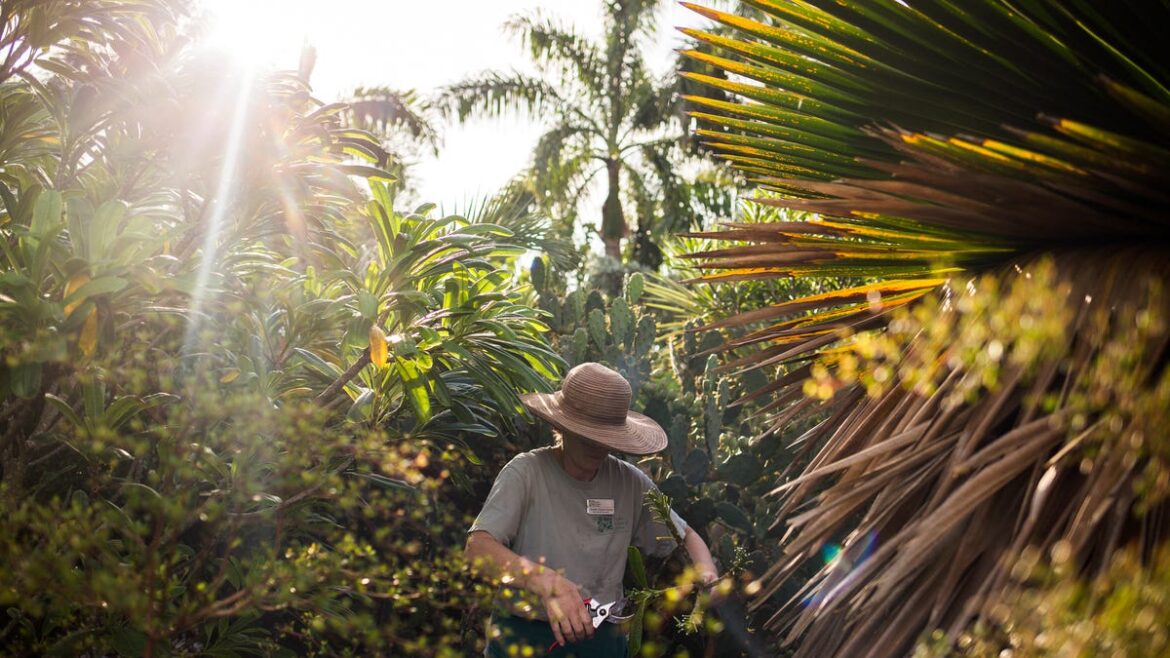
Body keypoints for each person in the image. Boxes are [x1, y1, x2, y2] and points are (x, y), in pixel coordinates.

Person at [465, 362, 720, 657]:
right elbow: (478, 549)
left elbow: (685, 535)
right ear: (561, 425)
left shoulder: (630, 483)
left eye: (606, 436)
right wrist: (547, 582)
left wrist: (707, 573)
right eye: (588, 434)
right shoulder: (526, 473)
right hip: (524, 637)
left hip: (603, 641)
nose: (598, 445)